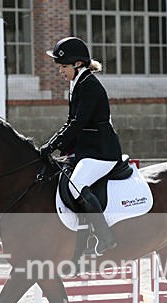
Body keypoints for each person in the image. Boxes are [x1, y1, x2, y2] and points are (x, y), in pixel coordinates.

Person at [40, 37, 122, 255]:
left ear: (78, 64)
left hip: (102, 152)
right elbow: (70, 121)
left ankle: (106, 238)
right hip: (86, 149)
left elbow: (78, 123)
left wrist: (53, 144)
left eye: (64, 66)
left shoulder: (90, 87)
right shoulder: (76, 83)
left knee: (76, 185)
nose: (61, 71)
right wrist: (53, 144)